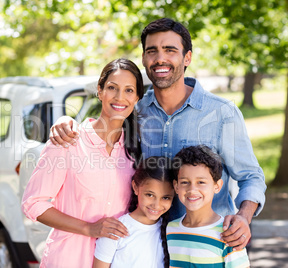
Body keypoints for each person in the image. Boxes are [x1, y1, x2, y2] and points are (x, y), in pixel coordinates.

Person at [48, 17, 266, 251]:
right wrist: (66, 121)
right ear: (143, 58)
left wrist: (243, 216)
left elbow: (251, 176)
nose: (160, 58)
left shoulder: (222, 113)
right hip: (147, 246)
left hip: (208, 245)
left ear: (187, 57)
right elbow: (99, 133)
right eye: (152, 51)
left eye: (170, 50)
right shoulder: (134, 111)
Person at [21, 58, 145, 268]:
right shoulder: (68, 140)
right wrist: (89, 228)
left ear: (137, 97)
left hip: (116, 260)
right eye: (112, 88)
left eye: (129, 90)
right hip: (68, 259)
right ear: (100, 91)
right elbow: (33, 203)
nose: (120, 97)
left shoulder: (136, 150)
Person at [167, 145, 250, 267]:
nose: (192, 189)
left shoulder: (229, 235)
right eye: (185, 182)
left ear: (217, 186)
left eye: (201, 182)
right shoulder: (171, 229)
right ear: (176, 186)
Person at [93, 156, 175, 268]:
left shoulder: (170, 232)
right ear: (135, 188)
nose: (156, 205)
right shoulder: (115, 230)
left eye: (165, 197)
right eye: (149, 195)